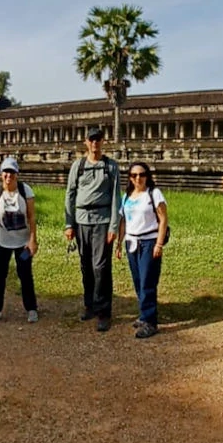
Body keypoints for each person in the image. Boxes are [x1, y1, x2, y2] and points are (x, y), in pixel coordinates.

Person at [64, 127, 121, 332]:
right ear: (85, 142)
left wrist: (113, 226)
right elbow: (70, 195)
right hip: (81, 221)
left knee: (101, 267)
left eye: (98, 139)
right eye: (91, 140)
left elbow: (116, 197)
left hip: (102, 220)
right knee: (86, 265)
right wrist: (69, 224)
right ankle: (90, 305)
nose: (95, 143)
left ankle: (104, 311)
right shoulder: (78, 166)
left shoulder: (110, 166)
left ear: (103, 141)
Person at [0, 157, 38, 325]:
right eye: (6, 172)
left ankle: (31, 308)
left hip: (22, 242)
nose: (9, 176)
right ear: (1, 174)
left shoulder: (25, 190)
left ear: (17, 174)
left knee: (25, 275)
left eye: (12, 172)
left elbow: (31, 216)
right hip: (2, 241)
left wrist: (33, 240)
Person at [118, 162, 168, 339]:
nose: (138, 178)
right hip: (131, 241)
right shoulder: (127, 196)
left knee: (148, 280)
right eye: (133, 175)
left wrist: (159, 244)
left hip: (149, 241)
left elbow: (163, 220)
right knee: (138, 280)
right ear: (130, 178)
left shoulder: (154, 194)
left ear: (147, 176)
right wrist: (119, 243)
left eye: (141, 174)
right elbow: (123, 221)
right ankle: (145, 313)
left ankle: (150, 321)